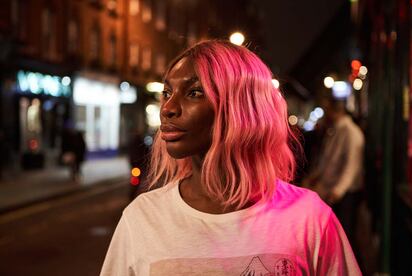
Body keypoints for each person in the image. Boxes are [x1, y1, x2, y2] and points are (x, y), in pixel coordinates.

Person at [101, 40, 361, 275]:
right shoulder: (143, 217)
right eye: (167, 93)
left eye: (194, 92)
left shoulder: (309, 218)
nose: (168, 108)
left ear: (242, 108)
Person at [303, 96, 365, 255]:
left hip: (344, 194)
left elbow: (351, 166)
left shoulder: (350, 132)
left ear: (334, 111)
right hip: (334, 191)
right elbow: (328, 160)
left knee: (344, 234)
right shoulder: (337, 130)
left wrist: (338, 190)